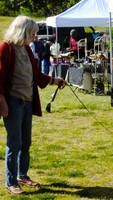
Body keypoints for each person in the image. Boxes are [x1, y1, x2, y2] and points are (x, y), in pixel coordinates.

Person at [0, 15, 67, 195]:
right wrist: (2, 102)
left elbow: (36, 75)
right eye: (33, 33)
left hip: (28, 102)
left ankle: (22, 175)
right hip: (13, 102)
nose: (35, 37)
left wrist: (55, 80)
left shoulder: (27, 49)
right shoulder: (6, 47)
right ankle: (11, 182)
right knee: (14, 143)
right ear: (22, 31)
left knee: (26, 142)